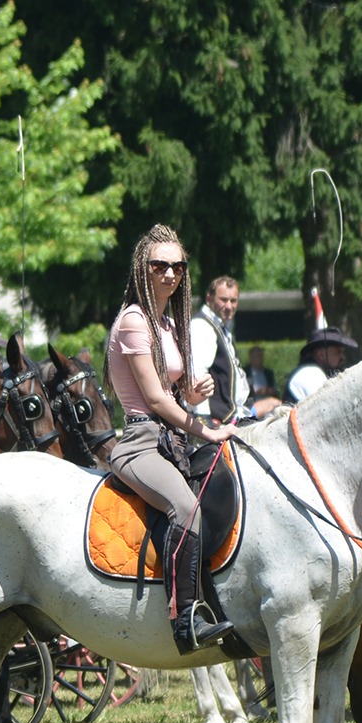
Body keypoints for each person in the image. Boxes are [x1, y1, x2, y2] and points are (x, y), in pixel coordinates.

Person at [104, 223, 237, 654]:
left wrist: (193, 395)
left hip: (172, 440)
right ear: (142, 268)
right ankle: (186, 622)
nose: (169, 273)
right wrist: (205, 428)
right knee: (186, 508)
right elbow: (155, 400)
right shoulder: (134, 320)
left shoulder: (167, 323)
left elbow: (173, 394)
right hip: (140, 443)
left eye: (177, 266)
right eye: (159, 265)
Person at [189, 275, 251, 421]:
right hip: (216, 420)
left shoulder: (221, 327)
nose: (229, 306)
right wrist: (204, 419)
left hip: (234, 416)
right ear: (209, 299)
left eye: (233, 301)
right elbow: (198, 376)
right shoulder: (201, 326)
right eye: (223, 300)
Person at [286, 326, 356, 403]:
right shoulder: (310, 373)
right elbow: (327, 405)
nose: (343, 357)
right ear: (321, 355)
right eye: (338, 352)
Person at [244, 345, 279, 409]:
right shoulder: (245, 373)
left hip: (268, 407)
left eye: (261, 356)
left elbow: (276, 393)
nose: (260, 358)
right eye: (257, 356)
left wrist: (269, 391)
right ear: (250, 357)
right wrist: (257, 393)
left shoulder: (268, 373)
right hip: (251, 407)